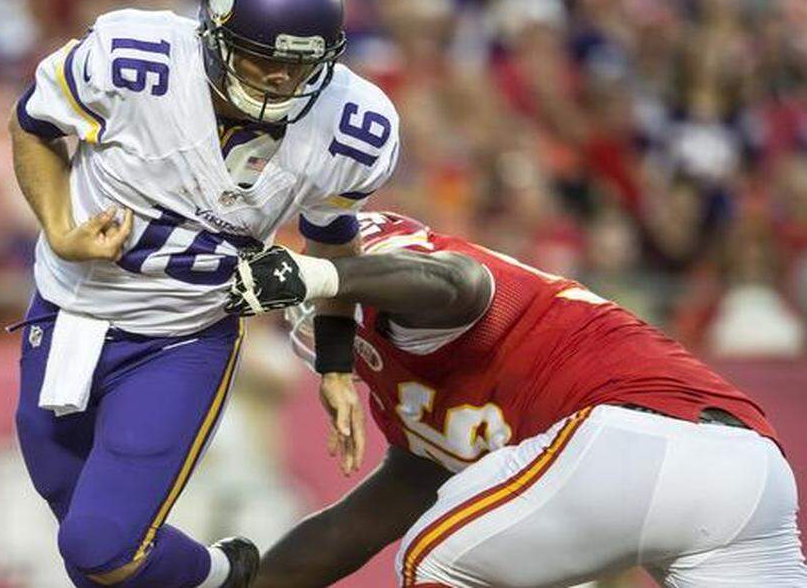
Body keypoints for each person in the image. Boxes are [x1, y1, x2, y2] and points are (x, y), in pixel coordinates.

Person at [8, 0, 400, 587]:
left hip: (181, 338)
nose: (281, 80)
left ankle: (230, 576)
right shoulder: (136, 60)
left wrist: (335, 364)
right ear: (213, 34)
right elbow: (33, 125)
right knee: (88, 547)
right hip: (66, 311)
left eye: (301, 64)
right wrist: (59, 229)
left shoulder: (350, 126)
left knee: (99, 546)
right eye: (263, 57)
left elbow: (333, 245)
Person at [227, 211, 807, 588]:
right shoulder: (412, 408)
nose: (310, 321)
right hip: (749, 470)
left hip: (636, 439)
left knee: (437, 558)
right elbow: (349, 531)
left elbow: (459, 282)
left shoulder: (427, 294)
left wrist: (327, 277)